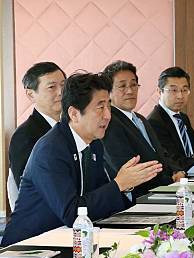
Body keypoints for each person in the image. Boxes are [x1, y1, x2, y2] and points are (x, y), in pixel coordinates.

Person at [1, 72, 162, 246]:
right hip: (31, 246)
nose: (108, 115)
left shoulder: (94, 144)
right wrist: (119, 184)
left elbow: (97, 199)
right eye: (100, 107)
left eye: (109, 106)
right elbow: (72, 213)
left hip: (70, 240)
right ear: (74, 114)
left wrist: (126, 186)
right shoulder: (51, 150)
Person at [101, 61, 185, 198]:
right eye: (122, 86)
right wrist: (170, 180)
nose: (130, 91)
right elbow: (130, 169)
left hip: (162, 191)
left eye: (133, 85)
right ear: (109, 92)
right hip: (140, 199)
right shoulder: (110, 123)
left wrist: (176, 171)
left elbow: (162, 154)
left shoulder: (140, 119)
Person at [9, 62, 65, 188]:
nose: (61, 92)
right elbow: (29, 188)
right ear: (31, 94)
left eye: (63, 85)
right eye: (52, 87)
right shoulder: (24, 136)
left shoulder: (73, 127)